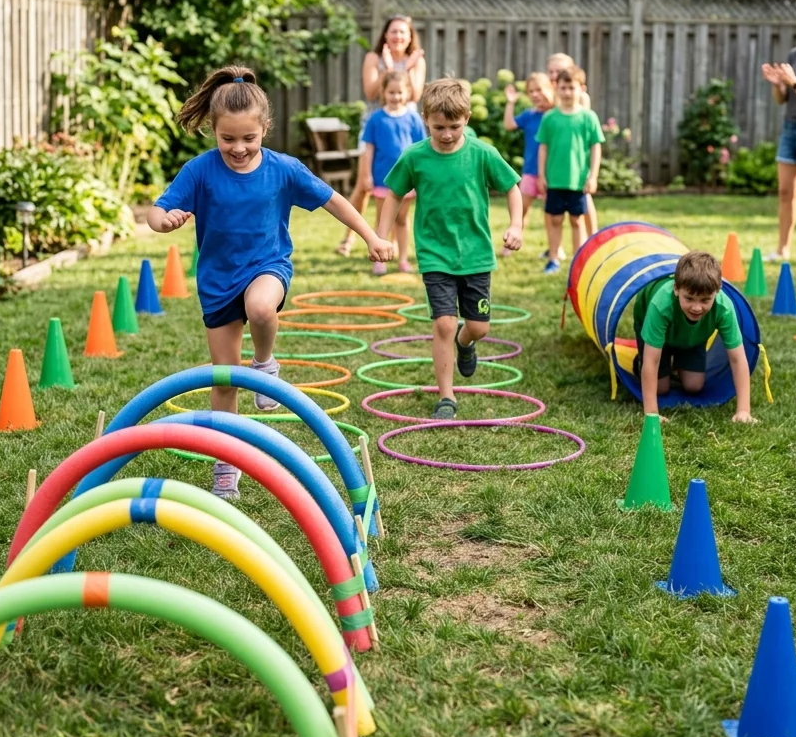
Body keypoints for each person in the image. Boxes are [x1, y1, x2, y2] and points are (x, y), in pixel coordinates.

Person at [148, 65, 393, 500]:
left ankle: (265, 361)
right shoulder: (200, 171)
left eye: (249, 138)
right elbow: (157, 209)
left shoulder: (284, 169)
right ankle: (226, 467)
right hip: (217, 282)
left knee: (262, 308)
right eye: (228, 139)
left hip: (267, 267)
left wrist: (371, 236)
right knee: (224, 381)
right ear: (212, 130)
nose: (239, 148)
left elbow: (335, 201)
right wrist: (164, 221)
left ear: (265, 128)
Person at [376, 78, 523, 419]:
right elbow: (394, 194)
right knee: (443, 323)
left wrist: (516, 224)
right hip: (435, 255)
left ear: (467, 119)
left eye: (454, 127)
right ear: (425, 118)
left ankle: (465, 341)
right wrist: (380, 236)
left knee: (479, 327)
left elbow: (513, 187)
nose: (445, 134)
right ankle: (446, 397)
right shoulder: (415, 156)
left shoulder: (482, 153)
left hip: (475, 255)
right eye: (438, 127)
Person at [336, 15, 426, 256]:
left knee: (400, 189)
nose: (398, 36)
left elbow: (415, 94)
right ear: (385, 35)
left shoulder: (416, 61)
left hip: (405, 127)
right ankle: (349, 238)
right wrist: (390, 69)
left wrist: (403, 68)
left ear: (409, 38)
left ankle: (393, 244)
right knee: (364, 187)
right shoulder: (373, 58)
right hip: (376, 124)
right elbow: (371, 91)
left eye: (403, 33)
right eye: (393, 31)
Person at [634, 251, 755, 422]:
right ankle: (639, 363)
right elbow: (651, 361)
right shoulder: (661, 304)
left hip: (693, 337)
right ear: (676, 289)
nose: (697, 307)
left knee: (694, 386)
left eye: (705, 300)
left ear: (718, 290)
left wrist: (744, 410)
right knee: (660, 388)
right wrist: (652, 413)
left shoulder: (724, 308)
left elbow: (738, 359)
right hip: (654, 325)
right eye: (689, 298)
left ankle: (677, 361)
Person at [357, 71, 427, 276]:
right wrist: (367, 175)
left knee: (402, 219)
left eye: (399, 92)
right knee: (382, 219)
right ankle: (380, 259)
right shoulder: (376, 119)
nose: (395, 96)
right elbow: (368, 149)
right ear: (383, 92)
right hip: (382, 179)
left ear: (407, 93)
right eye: (391, 92)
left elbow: (421, 149)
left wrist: (420, 177)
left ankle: (403, 259)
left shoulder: (413, 119)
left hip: (407, 180)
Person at [537, 65, 604, 274]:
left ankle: (579, 261)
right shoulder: (550, 118)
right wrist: (541, 175)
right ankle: (554, 258)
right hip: (555, 180)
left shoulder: (588, 117)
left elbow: (595, 148)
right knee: (555, 219)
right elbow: (543, 147)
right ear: (557, 88)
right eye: (563, 88)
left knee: (577, 220)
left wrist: (593, 176)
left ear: (581, 89)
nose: (567, 93)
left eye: (571, 88)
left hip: (578, 180)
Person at [502, 72, 559, 259]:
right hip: (530, 171)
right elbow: (509, 125)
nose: (535, 94)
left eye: (539, 90)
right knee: (521, 209)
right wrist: (510, 102)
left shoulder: (556, 115)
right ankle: (512, 241)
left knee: (552, 214)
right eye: (531, 91)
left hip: (552, 173)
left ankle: (555, 248)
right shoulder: (529, 115)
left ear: (550, 89)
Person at [546, 53, 598, 236]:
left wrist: (592, 175)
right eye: (551, 71)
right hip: (555, 168)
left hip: (576, 172)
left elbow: (591, 141)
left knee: (580, 213)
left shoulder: (583, 106)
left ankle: (592, 240)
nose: (554, 75)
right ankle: (554, 251)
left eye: (558, 71)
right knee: (554, 215)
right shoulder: (550, 100)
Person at [761, 55, 796, 261]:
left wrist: (793, 81)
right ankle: (783, 248)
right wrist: (778, 85)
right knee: (785, 192)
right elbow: (781, 99)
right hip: (791, 129)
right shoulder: (794, 54)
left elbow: (795, 84)